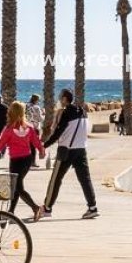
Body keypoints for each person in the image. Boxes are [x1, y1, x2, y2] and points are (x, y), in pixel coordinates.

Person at [42, 88, 98, 219]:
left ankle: (47, 208)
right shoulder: (83, 112)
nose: (59, 100)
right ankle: (92, 207)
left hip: (66, 150)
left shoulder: (67, 112)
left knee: (56, 179)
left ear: (65, 99)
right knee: (85, 179)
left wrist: (45, 145)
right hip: (81, 150)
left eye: (60, 97)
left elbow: (58, 132)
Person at [0, 100, 46, 220]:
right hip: (26, 160)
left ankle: (35, 208)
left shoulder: (9, 129)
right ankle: (10, 212)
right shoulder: (29, 128)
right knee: (15, 186)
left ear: (11, 113)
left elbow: (0, 144)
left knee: (17, 187)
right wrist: (41, 150)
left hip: (18, 161)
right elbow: (36, 142)